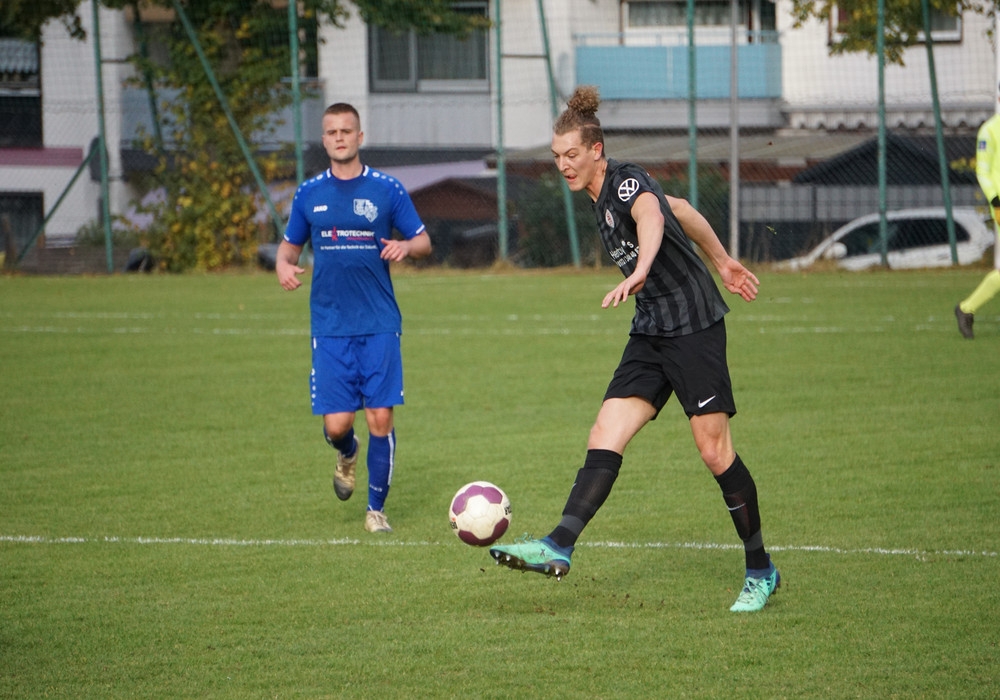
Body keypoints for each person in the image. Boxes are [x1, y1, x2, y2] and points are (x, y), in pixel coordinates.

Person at [489, 86, 779, 612]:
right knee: (606, 432)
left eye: (571, 155)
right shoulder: (596, 194)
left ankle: (761, 569)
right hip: (650, 328)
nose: (563, 165)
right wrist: (722, 261)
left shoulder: (624, 181)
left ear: (595, 150)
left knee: (714, 451)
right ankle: (558, 544)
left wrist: (643, 268)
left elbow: (652, 215)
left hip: (693, 325)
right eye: (556, 156)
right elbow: (681, 208)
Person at [276, 102, 432, 533]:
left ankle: (375, 510)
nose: (340, 137)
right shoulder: (309, 194)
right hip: (330, 326)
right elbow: (288, 249)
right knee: (337, 425)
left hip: (379, 321)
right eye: (332, 132)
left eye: (347, 131)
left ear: (360, 137)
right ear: (324, 140)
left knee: (380, 416)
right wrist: (284, 266)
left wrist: (406, 247)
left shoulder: (386, 189)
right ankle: (347, 452)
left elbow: (423, 241)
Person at [955, 99, 1000, 339]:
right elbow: (983, 171)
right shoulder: (990, 130)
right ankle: (966, 308)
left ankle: (966, 308)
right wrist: (995, 200)